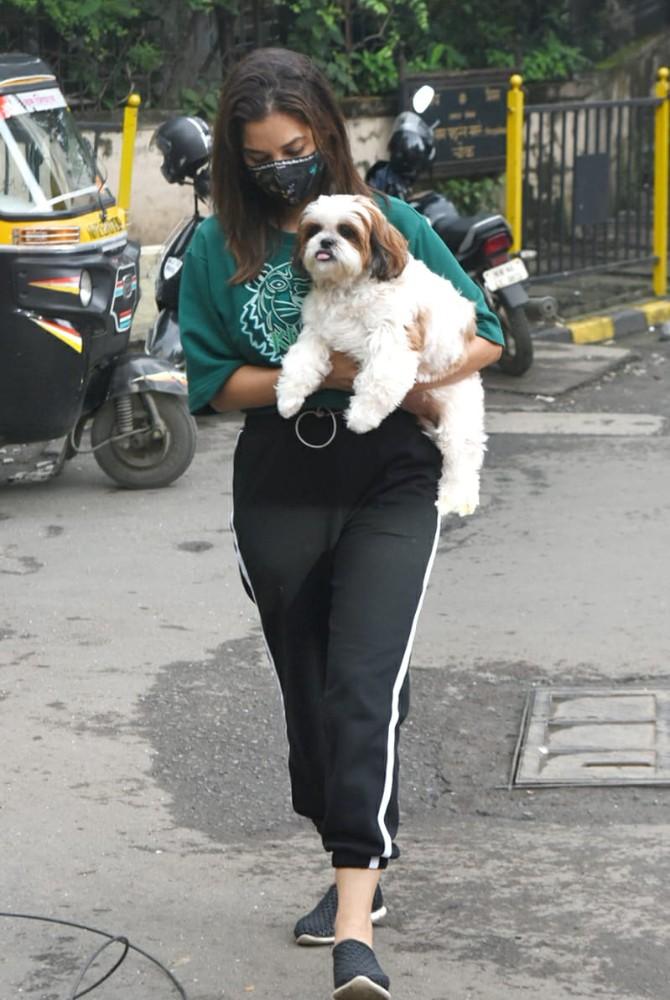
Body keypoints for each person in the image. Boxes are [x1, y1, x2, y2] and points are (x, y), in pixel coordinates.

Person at [179, 46, 504, 1000]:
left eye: (298, 145)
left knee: (366, 674)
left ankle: (357, 920)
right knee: (315, 690)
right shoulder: (218, 248)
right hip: (281, 479)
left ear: (324, 133)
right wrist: (342, 373)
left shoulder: (389, 222)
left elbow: (482, 332)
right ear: (239, 159)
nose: (284, 164)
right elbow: (214, 383)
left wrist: (417, 384)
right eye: (263, 154)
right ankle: (345, 845)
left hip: (392, 476)